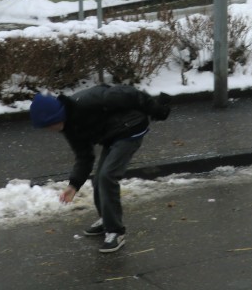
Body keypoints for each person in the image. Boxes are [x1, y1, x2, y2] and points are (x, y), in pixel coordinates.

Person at [30, 84, 170, 253]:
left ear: (56, 116)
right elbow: (84, 157)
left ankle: (116, 232)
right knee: (98, 179)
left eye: (49, 125)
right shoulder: (69, 127)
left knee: (107, 176)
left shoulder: (88, 102)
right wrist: (74, 185)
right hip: (112, 135)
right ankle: (106, 219)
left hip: (131, 128)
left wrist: (156, 109)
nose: (49, 130)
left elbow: (130, 94)